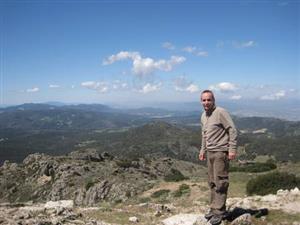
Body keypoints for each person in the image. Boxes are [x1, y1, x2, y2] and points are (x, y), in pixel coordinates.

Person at [199, 90, 237, 225]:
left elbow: (232, 130)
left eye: (209, 100)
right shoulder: (203, 115)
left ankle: (219, 212)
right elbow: (204, 135)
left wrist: (232, 149)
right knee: (212, 182)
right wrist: (203, 150)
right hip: (210, 152)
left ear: (213, 100)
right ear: (201, 101)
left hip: (221, 152)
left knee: (220, 181)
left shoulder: (221, 112)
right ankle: (214, 208)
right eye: (204, 100)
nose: (206, 102)